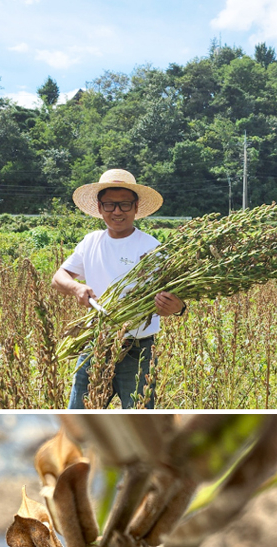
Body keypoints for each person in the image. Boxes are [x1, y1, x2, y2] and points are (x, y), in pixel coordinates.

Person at [52, 169, 186, 409]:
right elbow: (58, 278)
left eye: (124, 205)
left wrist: (177, 307)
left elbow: (177, 297)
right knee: (80, 420)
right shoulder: (91, 241)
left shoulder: (152, 248)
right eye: (110, 204)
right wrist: (76, 288)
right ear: (99, 207)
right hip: (95, 340)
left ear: (136, 207)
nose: (117, 211)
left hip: (138, 348)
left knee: (137, 421)